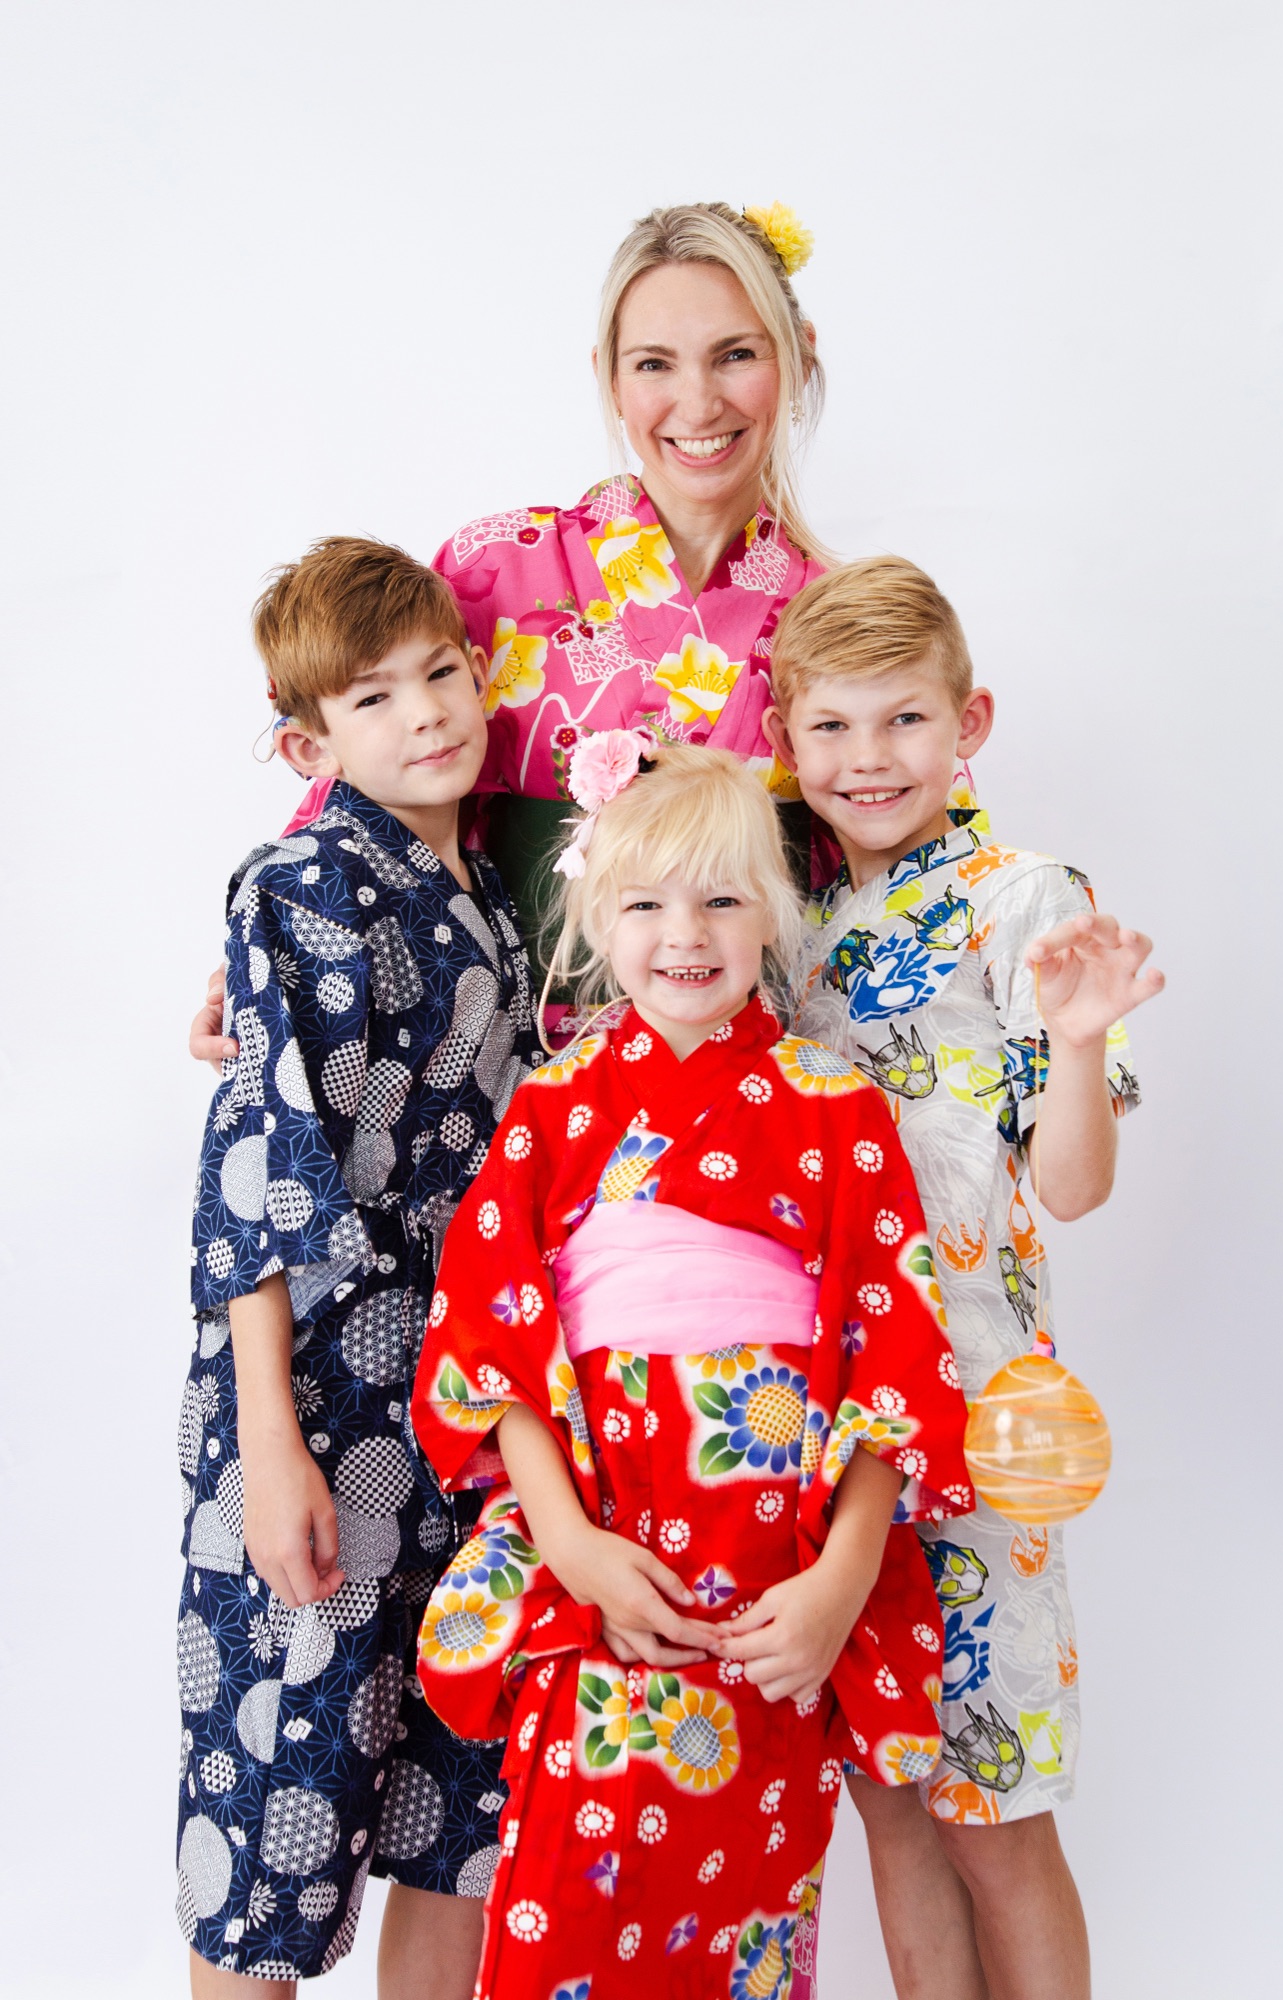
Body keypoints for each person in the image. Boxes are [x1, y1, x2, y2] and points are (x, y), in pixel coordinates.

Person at [408, 737, 975, 2000]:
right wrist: (566, 1542)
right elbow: (489, 1346)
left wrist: (840, 1580)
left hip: (776, 1582)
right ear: (593, 914)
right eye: (647, 901)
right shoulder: (555, 1105)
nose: (687, 933)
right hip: (606, 1561)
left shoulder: (836, 1102)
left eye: (723, 897)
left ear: (772, 911)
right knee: (564, 1896)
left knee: (748, 1916)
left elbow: (892, 1348)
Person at [763, 557, 1164, 2000]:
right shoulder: (783, 917)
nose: (868, 761)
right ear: (786, 734)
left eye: (904, 722)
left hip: (979, 1416)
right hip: (823, 1419)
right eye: (833, 729)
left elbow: (1069, 1185)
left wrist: (1073, 1039)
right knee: (887, 1794)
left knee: (995, 1809)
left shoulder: (1025, 896)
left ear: (967, 721)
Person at [189, 199, 833, 1066]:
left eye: (737, 355)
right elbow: (366, 784)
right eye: (653, 363)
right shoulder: (498, 569)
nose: (696, 401)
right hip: (503, 1074)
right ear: (609, 377)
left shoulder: (833, 615)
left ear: (796, 360)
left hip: (753, 1079)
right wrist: (274, 954)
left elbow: (906, 840)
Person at [176, 539, 541, 1997]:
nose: (426, 716)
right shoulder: (302, 883)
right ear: (307, 743)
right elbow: (256, 1169)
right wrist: (271, 1444)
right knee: (274, 1823)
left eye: (441, 674)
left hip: (470, 1397)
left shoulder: (502, 892)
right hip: (319, 1389)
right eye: (373, 699)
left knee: (457, 1819)